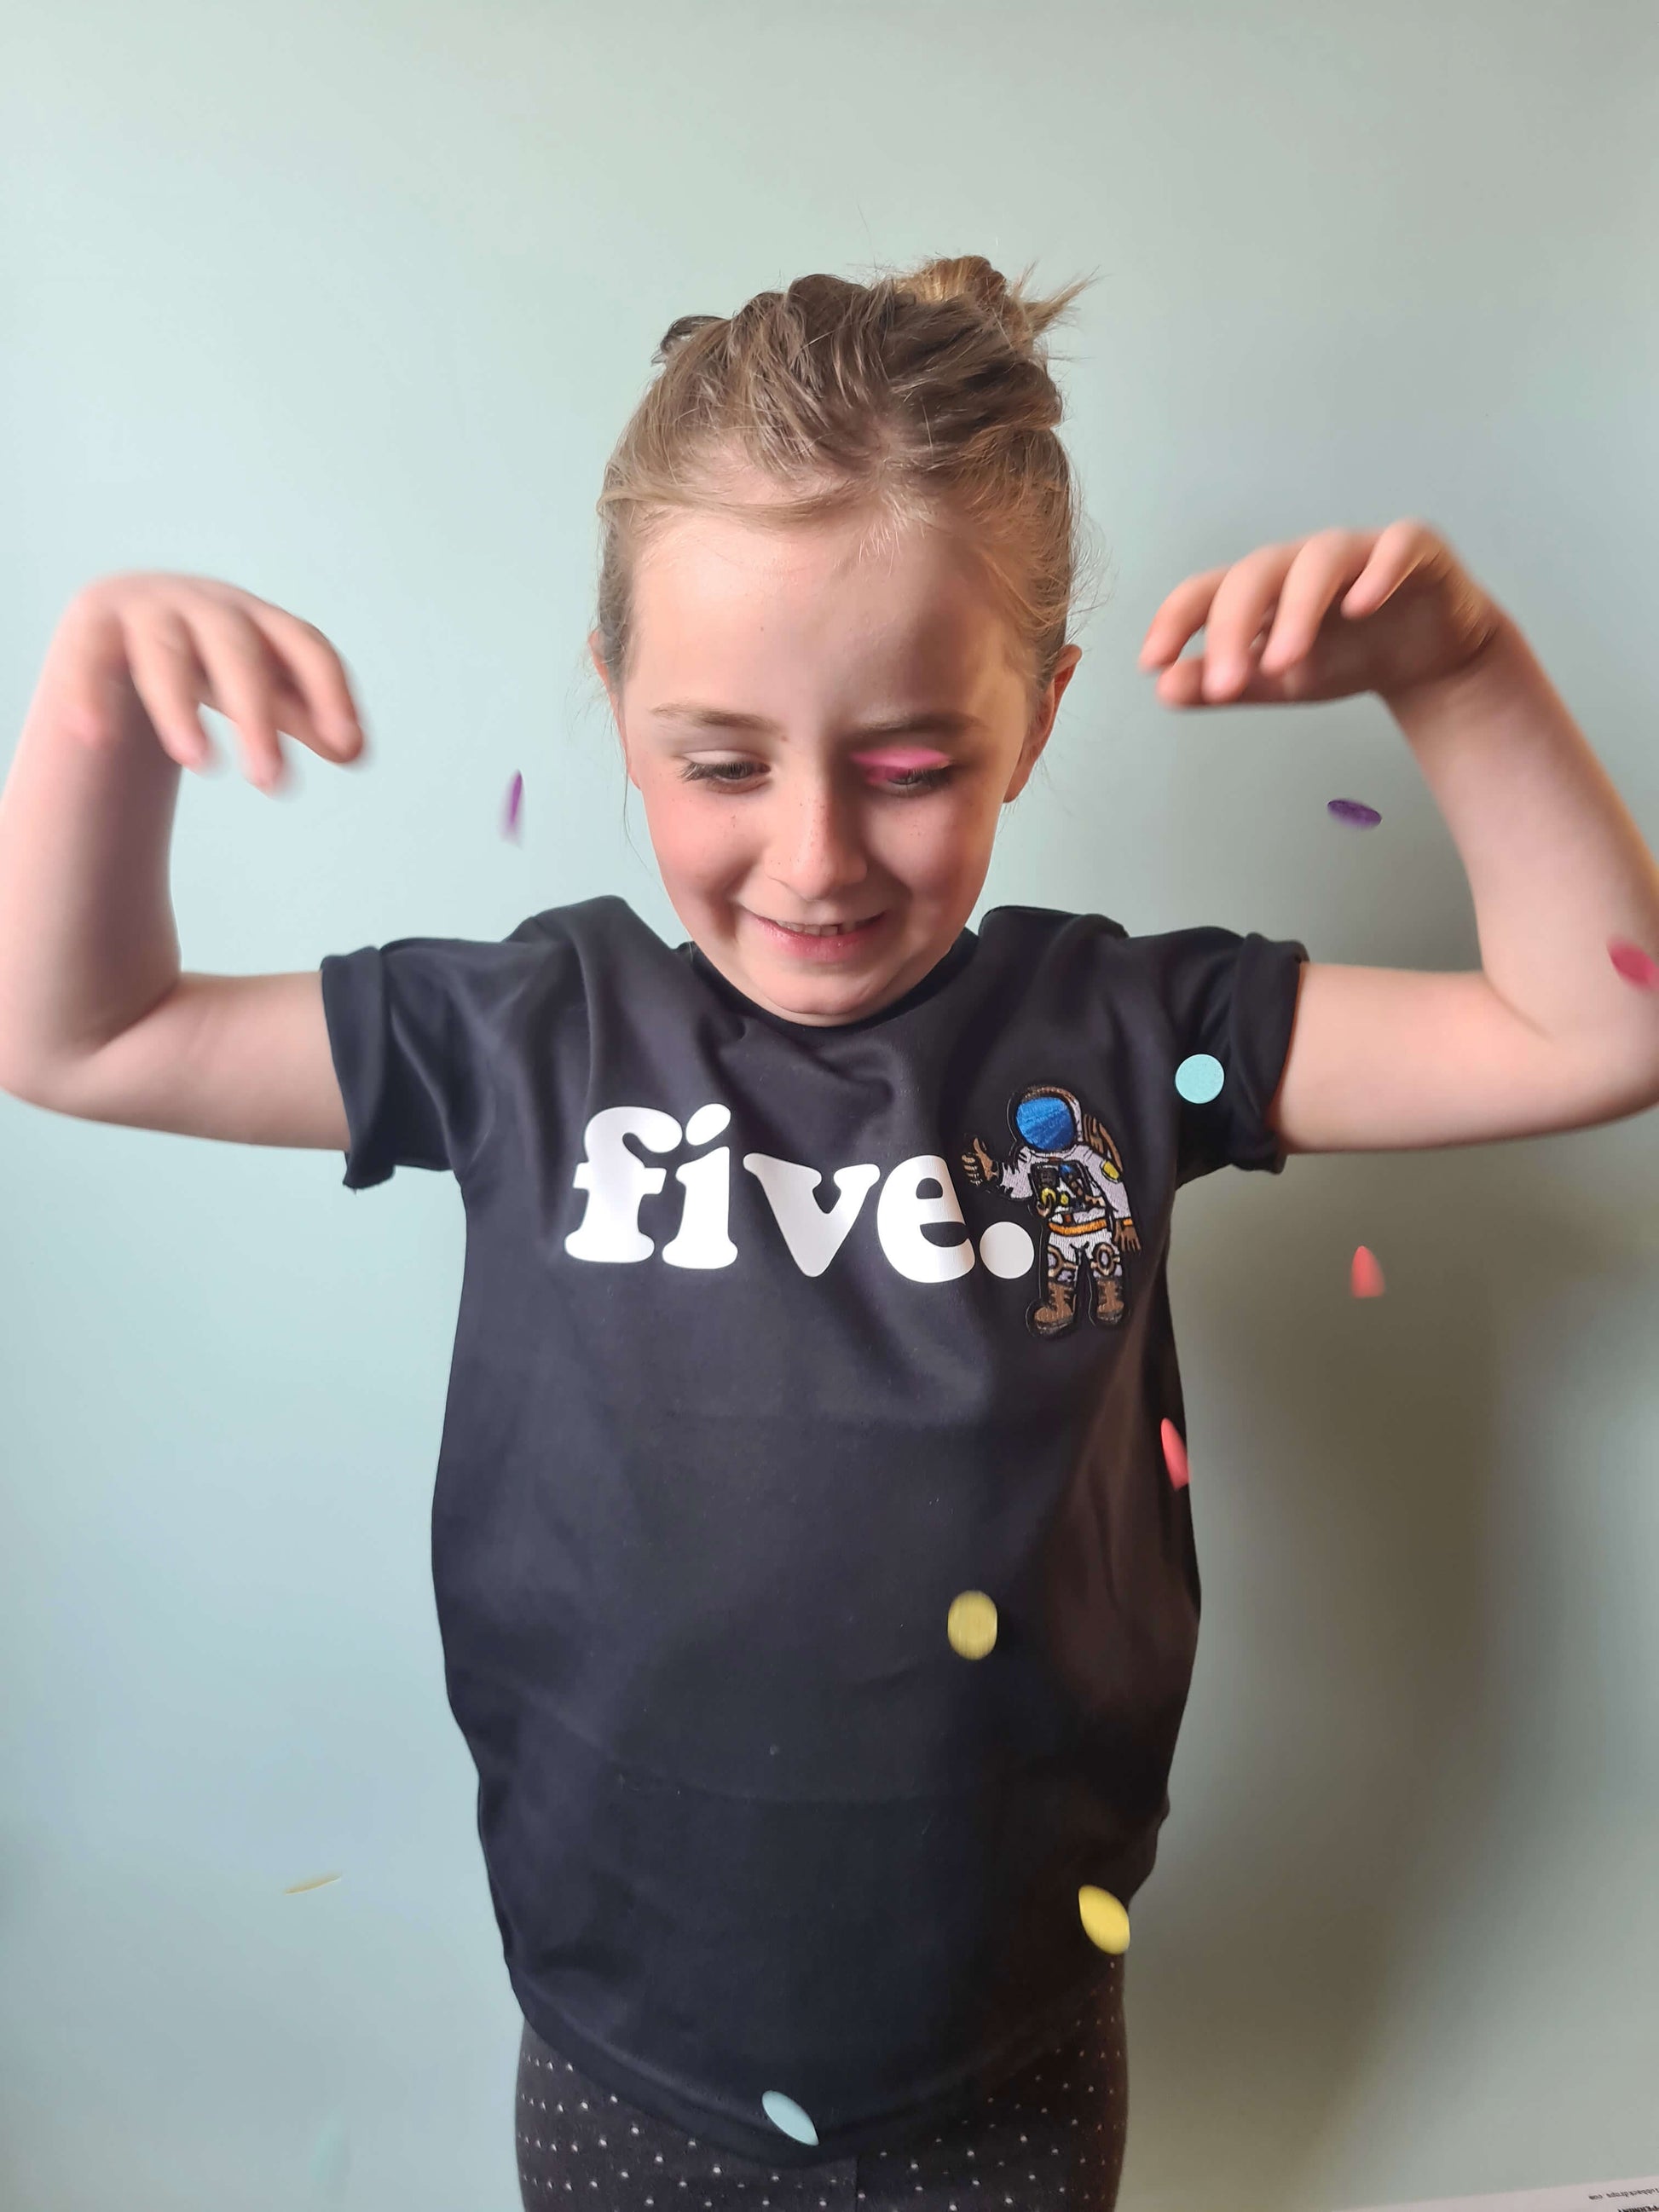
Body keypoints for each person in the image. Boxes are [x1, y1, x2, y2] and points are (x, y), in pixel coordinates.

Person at [1, 255, 1656, 2212]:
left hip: (1007, 2049)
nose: (812, 854)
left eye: (909, 766)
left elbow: (1598, 1021)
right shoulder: (519, 1034)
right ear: (612, 700)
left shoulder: (1130, 1036)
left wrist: (1455, 675)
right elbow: (79, 1029)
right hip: (628, 2051)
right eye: (722, 762)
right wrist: (99, 703)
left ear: (1034, 717)